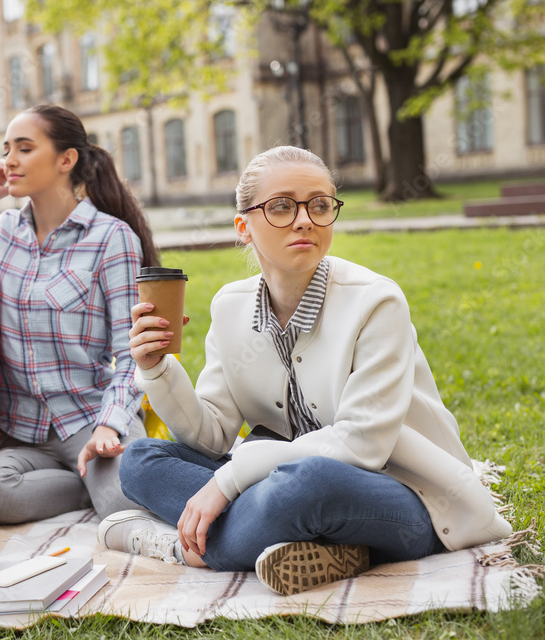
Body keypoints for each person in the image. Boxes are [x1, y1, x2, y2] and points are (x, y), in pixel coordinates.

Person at [97, 146, 512, 595]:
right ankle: (311, 543)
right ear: (243, 227)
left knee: (308, 484)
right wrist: (156, 369)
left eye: (319, 205)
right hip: (282, 478)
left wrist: (230, 480)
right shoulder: (230, 306)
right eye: (280, 206)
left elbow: (362, 444)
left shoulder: (376, 301)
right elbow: (212, 436)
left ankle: (179, 545)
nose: (304, 220)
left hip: (402, 494)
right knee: (139, 459)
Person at [0, 104, 158, 524]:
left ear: (65, 160)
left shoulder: (110, 238)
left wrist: (110, 425)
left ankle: (108, 480)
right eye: (6, 149)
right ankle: (85, 485)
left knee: (126, 507)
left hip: (90, 420)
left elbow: (131, 353)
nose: (8, 160)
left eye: (24, 148)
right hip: (24, 435)